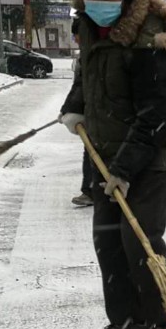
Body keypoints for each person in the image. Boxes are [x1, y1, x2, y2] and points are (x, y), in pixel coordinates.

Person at [58, 0, 166, 329]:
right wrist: (74, 109)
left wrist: (127, 168)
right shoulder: (91, 31)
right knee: (108, 239)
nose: (98, 5)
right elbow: (87, 78)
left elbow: (158, 110)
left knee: (140, 239)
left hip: (151, 149)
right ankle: (127, 319)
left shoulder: (151, 38)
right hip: (105, 147)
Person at [69, 18, 93, 208]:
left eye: (76, 36)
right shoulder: (87, 53)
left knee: (93, 151)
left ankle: (91, 190)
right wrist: (69, 109)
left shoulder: (93, 53)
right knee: (91, 150)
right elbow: (79, 85)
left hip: (99, 112)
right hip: (92, 111)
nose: (75, 40)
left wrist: (73, 108)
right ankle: (90, 190)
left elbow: (84, 84)